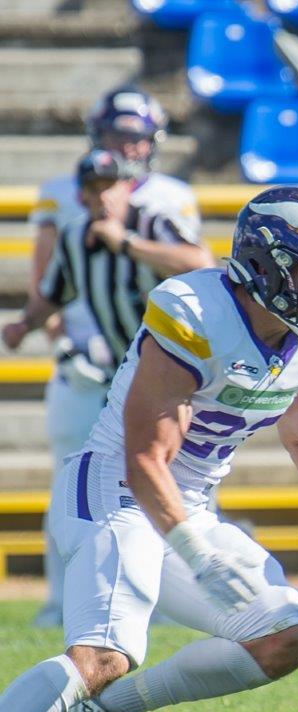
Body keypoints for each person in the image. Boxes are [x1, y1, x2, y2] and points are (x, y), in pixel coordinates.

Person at [0, 187, 298, 712]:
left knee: (283, 634)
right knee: (103, 655)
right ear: (264, 267)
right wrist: (193, 547)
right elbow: (144, 455)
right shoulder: (196, 311)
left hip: (190, 506)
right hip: (117, 490)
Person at [23, 86, 205, 629]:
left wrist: (124, 241)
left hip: (155, 362)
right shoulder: (65, 198)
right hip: (81, 358)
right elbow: (46, 286)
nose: (125, 147)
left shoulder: (166, 202)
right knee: (71, 482)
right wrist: (58, 339)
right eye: (115, 135)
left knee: (168, 476)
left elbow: (198, 269)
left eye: (134, 136)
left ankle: (171, 596)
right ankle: (61, 602)